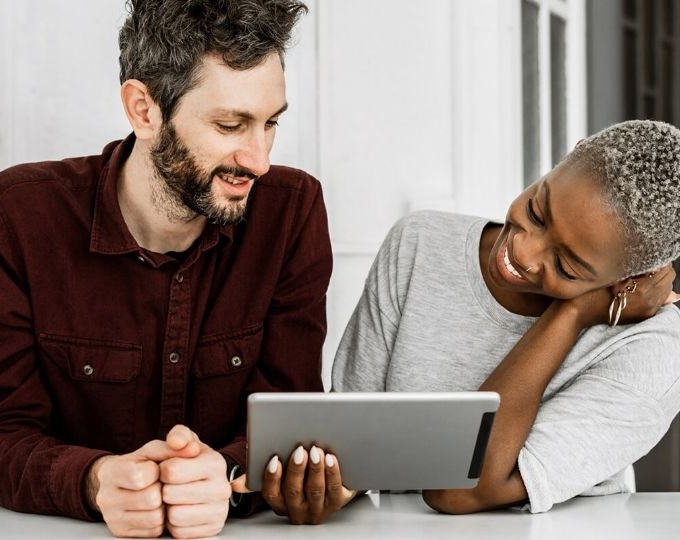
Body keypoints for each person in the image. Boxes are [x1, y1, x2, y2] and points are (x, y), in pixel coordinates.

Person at [0, 0, 330, 538]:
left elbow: (292, 416)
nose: (259, 159)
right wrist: (95, 480)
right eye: (231, 124)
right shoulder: (19, 214)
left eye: (270, 123)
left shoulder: (292, 211)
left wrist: (225, 474)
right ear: (144, 109)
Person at [257, 119, 680, 524]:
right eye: (537, 211)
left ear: (628, 280)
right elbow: (346, 450)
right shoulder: (420, 245)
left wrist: (570, 315)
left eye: (566, 267)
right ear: (564, 161)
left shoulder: (653, 350)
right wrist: (323, 488)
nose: (523, 253)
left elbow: (462, 490)